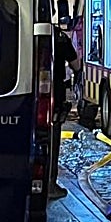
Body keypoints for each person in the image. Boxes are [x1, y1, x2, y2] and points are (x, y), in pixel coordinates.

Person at [47, 16, 81, 200]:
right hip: (54, 93)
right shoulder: (60, 37)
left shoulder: (24, 31)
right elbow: (76, 65)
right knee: (52, 139)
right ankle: (50, 184)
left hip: (27, 92)